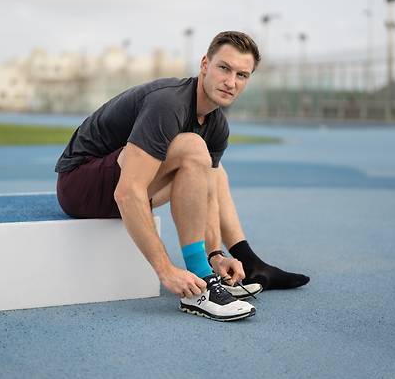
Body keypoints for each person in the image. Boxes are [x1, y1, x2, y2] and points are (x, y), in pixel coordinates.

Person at [55, 31, 309, 322]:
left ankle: (212, 269)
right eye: (224, 68)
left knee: (212, 169)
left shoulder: (217, 125)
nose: (231, 82)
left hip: (124, 185)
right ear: (205, 65)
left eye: (242, 75)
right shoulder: (168, 103)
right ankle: (200, 288)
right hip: (79, 186)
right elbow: (126, 192)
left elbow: (207, 192)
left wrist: (215, 255)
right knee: (192, 147)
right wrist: (166, 270)